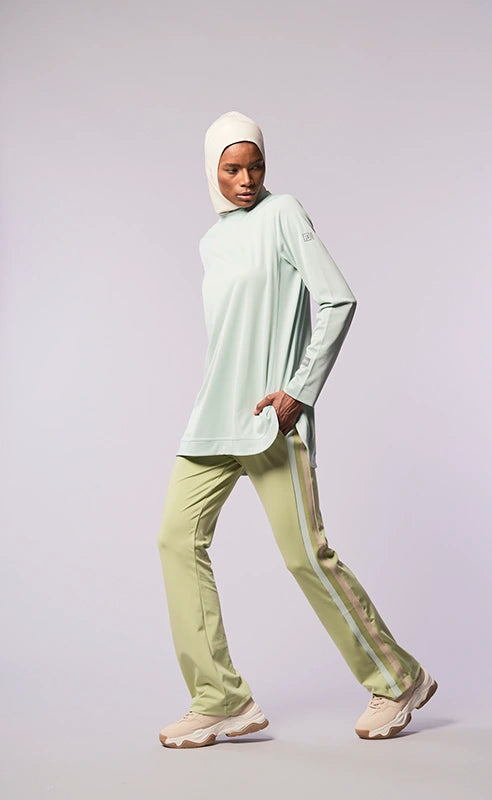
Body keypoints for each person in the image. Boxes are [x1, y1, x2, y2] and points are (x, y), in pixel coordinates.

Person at [157, 111, 437, 748]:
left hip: (269, 421)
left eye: (255, 165)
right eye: (232, 168)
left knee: (305, 555)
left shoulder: (283, 213)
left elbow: (337, 298)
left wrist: (298, 391)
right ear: (211, 171)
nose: (246, 179)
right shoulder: (211, 243)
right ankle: (220, 699)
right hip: (214, 418)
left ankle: (399, 679)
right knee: (175, 539)